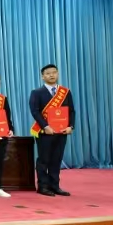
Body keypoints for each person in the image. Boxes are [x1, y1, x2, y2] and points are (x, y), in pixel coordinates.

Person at [29, 64, 76, 197]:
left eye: (54, 72)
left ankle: (55, 186)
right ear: (42, 76)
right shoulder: (37, 92)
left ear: (58, 74)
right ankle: (43, 186)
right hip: (45, 132)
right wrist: (45, 126)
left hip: (62, 132)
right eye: (48, 73)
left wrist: (71, 126)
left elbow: (71, 111)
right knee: (44, 160)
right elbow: (35, 111)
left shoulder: (65, 92)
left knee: (57, 159)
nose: (51, 75)